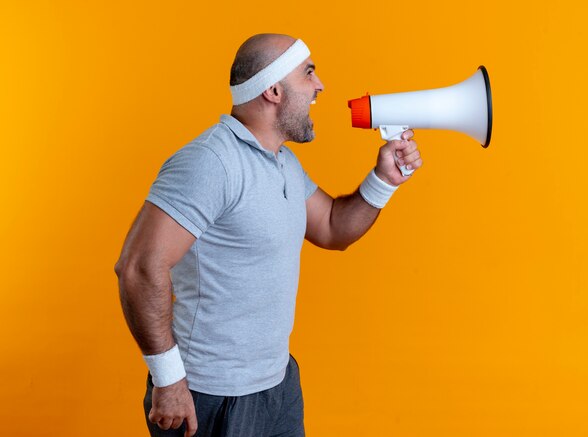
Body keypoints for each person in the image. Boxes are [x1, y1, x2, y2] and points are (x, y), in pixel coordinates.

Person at [115, 33, 422, 437]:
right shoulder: (211, 161)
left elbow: (332, 227)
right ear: (274, 90)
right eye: (308, 73)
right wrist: (168, 379)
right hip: (212, 395)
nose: (320, 86)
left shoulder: (282, 161)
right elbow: (138, 267)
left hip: (277, 384)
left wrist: (384, 180)